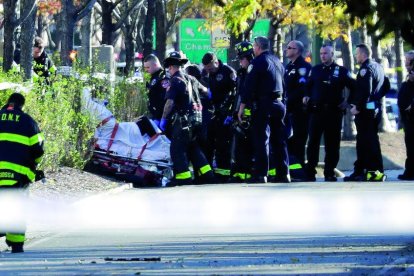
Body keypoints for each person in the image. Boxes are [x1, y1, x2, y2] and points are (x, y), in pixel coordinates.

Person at [238, 36, 290, 183]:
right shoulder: (277, 61)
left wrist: (242, 107)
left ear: (258, 47)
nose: (253, 49)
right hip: (279, 104)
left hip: (264, 104)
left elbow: (249, 87)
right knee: (279, 141)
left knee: (261, 139)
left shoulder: (257, 62)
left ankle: (261, 174)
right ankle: (283, 174)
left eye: (254, 46)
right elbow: (284, 85)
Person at [160, 52, 214, 185]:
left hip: (184, 121)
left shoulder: (175, 80)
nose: (169, 71)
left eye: (169, 68)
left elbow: (170, 103)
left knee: (176, 149)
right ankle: (208, 175)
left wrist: (163, 119)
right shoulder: (192, 79)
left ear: (172, 67)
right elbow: (207, 92)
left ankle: (183, 178)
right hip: (198, 120)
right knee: (193, 148)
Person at [0, 93, 44, 253]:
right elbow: (38, 149)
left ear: (8, 103)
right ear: (21, 105)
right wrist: (35, 166)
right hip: (18, 174)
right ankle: (16, 245)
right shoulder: (27, 121)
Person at [303, 45, 355, 182]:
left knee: (332, 143)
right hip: (316, 111)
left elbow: (354, 87)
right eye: (321, 53)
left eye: (326, 53)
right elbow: (307, 86)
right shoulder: (315, 70)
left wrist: (348, 102)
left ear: (332, 54)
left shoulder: (342, 71)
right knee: (313, 142)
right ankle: (310, 171)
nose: (323, 56)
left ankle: (329, 171)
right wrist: (306, 95)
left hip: (333, 112)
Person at [344, 43, 386, 182]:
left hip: (365, 112)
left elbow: (365, 91)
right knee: (372, 141)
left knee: (364, 142)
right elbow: (386, 86)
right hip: (374, 109)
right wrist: (376, 98)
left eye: (357, 54)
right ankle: (373, 171)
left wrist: (358, 107)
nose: (356, 56)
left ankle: (364, 171)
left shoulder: (365, 69)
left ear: (363, 54)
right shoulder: (378, 67)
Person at [202, 52, 237, 182]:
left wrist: (229, 112)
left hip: (226, 112)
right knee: (210, 143)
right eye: (206, 69)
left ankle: (224, 173)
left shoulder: (228, 72)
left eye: (210, 68)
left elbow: (235, 93)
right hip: (214, 112)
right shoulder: (207, 73)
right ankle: (210, 173)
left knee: (223, 144)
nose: (208, 71)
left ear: (215, 62)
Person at [284, 40, 312, 167]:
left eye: (290, 48)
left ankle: (300, 168)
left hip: (299, 110)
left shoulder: (303, 67)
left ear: (297, 51)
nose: (287, 49)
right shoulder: (289, 66)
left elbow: (302, 88)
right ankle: (292, 166)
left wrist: (288, 100)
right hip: (288, 109)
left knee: (299, 139)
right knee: (289, 140)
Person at [397, 50, 414, 180]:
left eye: (409, 60)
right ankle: (410, 171)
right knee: (410, 146)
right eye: (406, 60)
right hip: (408, 120)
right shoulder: (408, 77)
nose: (407, 63)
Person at [143, 54, 169, 126]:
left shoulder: (163, 77)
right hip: (155, 114)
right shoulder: (153, 76)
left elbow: (166, 99)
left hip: (162, 116)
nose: (146, 70)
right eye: (145, 68)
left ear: (155, 65)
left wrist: (163, 117)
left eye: (148, 67)